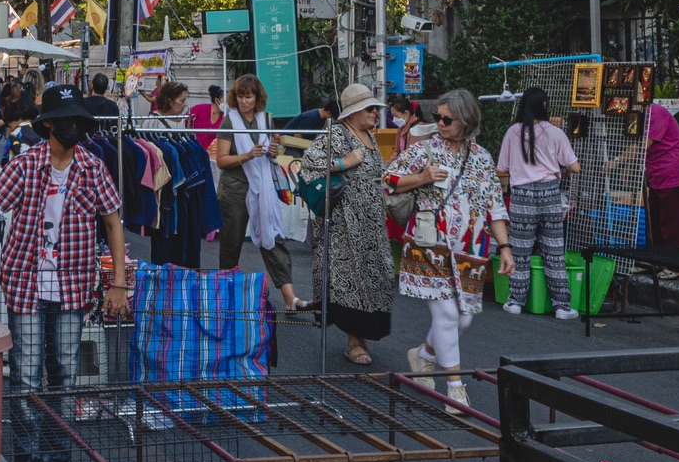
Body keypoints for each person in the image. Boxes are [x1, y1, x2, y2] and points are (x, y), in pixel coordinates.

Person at [0, 83, 130, 462]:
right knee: (25, 377)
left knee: (65, 377)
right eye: (69, 120)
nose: (76, 127)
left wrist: (118, 283)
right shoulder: (25, 165)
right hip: (26, 286)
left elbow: (113, 222)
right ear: (51, 126)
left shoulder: (93, 167)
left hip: (74, 289)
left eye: (80, 120)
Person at [388, 88, 513, 412]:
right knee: (445, 315)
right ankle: (456, 387)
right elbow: (388, 179)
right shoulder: (425, 151)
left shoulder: (483, 157)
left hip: (470, 251)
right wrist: (422, 177)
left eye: (447, 119)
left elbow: (494, 206)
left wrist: (505, 247)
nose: (440, 123)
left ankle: (425, 355)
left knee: (464, 320)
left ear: (467, 121)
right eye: (437, 117)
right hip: (431, 246)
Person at [300, 84, 395, 365]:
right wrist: (344, 162)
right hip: (345, 224)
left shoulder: (368, 136)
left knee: (375, 275)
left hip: (372, 224)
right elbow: (309, 165)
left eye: (376, 108)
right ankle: (354, 341)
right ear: (353, 113)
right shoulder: (337, 134)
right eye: (370, 109)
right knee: (353, 280)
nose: (375, 113)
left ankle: (363, 336)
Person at [215, 74, 310, 312]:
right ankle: (225, 296)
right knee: (231, 242)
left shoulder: (266, 119)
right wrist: (247, 155)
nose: (244, 101)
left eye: (248, 96)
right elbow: (221, 161)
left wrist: (273, 150)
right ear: (234, 98)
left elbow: (272, 153)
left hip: (263, 186)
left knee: (273, 239)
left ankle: (290, 298)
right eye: (240, 96)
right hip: (235, 188)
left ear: (257, 98)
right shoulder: (229, 121)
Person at [494, 87, 582, 319]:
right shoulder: (555, 133)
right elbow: (575, 167)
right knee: (553, 251)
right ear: (544, 105)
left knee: (520, 251)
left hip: (522, 196)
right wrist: (559, 172)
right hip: (550, 195)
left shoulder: (513, 132)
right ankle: (562, 306)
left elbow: (501, 168)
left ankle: (515, 301)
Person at [644, 101, 679, 248]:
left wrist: (617, 162)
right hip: (657, 178)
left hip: (674, 177)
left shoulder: (655, 113)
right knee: (656, 224)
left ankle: (677, 268)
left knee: (673, 228)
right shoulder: (640, 116)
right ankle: (658, 262)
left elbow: (643, 145)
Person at [186, 84, 225, 149]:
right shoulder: (199, 109)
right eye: (226, 101)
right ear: (217, 101)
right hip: (194, 149)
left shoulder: (225, 117)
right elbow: (185, 122)